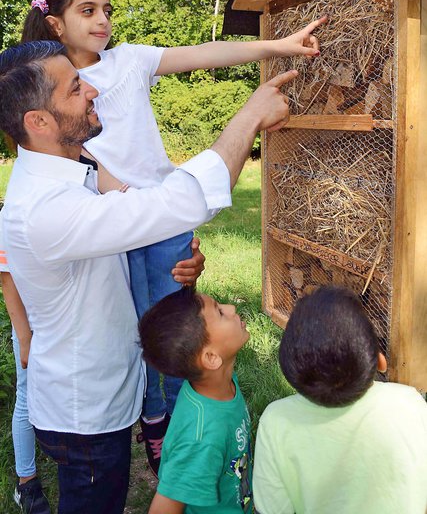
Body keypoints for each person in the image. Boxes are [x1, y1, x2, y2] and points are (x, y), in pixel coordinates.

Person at [21, 0, 326, 473]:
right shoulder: (54, 89)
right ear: (55, 24)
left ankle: (191, 425)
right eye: (88, 11)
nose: (103, 21)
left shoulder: (130, 61)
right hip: (114, 224)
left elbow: (204, 52)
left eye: (107, 10)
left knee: (181, 329)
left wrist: (279, 45)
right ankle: (153, 421)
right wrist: (128, 198)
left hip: (161, 222)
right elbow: (79, 162)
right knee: (134, 331)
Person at [0, 39, 293, 514]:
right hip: (86, 411)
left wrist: (182, 269)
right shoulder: (42, 211)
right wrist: (249, 116)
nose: (93, 89)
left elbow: (140, 233)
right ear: (39, 122)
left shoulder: (77, 171)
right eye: (75, 89)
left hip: (109, 390)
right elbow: (175, 202)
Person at [253, 286, 427, 514]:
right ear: (380, 360)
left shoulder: (276, 421)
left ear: (290, 369)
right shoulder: (410, 403)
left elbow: (271, 509)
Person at [139, 286, 253, 513]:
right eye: (220, 312)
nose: (231, 308)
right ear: (211, 358)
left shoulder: (221, 384)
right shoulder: (200, 438)